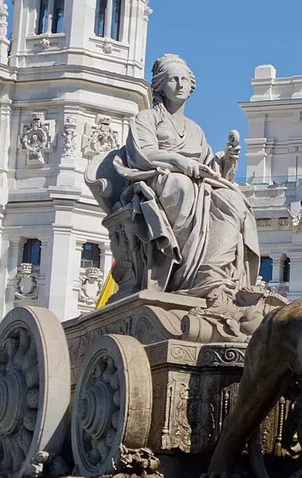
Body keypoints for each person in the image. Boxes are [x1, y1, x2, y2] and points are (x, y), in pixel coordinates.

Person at [117, 53, 260, 299]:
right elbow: (144, 154)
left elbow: (210, 168)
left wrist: (227, 160)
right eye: (173, 79)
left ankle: (210, 270)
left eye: (184, 79)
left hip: (199, 184)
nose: (180, 85)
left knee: (233, 200)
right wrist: (180, 162)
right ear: (160, 85)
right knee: (181, 186)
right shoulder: (146, 119)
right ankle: (181, 270)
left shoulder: (195, 129)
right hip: (157, 179)